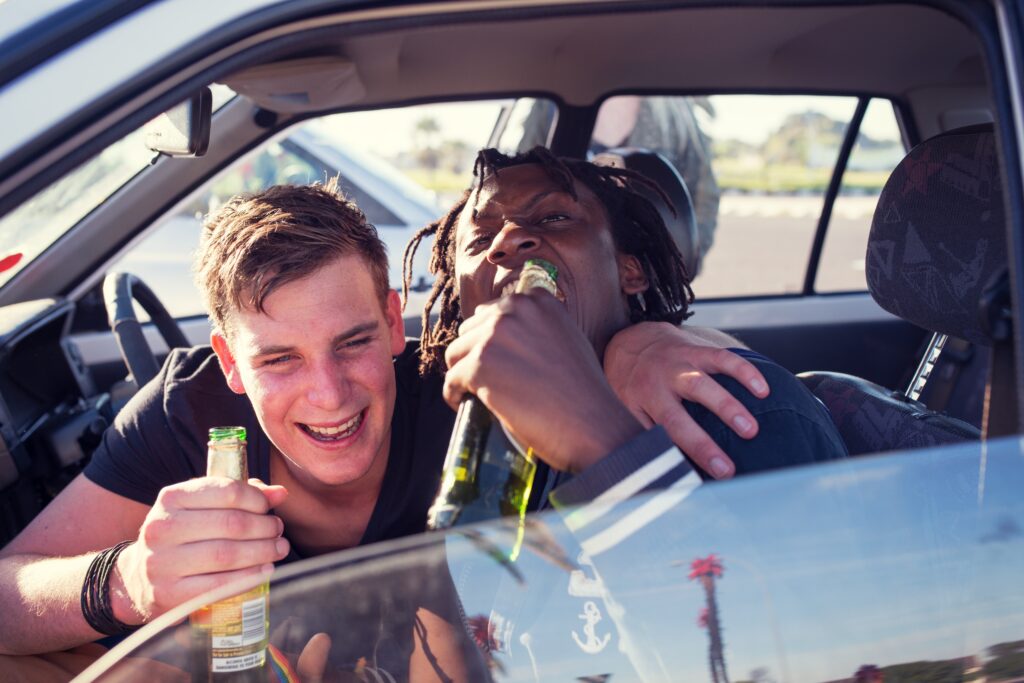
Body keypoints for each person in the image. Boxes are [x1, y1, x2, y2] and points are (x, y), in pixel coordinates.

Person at [0, 177, 766, 672]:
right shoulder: (194, 411)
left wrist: (639, 343)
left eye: (355, 341)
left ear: (395, 321)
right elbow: (9, 592)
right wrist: (125, 580)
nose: (329, 394)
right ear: (230, 363)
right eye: (280, 361)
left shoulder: (470, 387)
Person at [404, 147, 849, 681]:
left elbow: (791, 659)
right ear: (462, 297)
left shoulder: (733, 410)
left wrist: (612, 452)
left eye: (553, 218)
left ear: (629, 271)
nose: (507, 240)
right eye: (480, 237)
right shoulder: (457, 423)